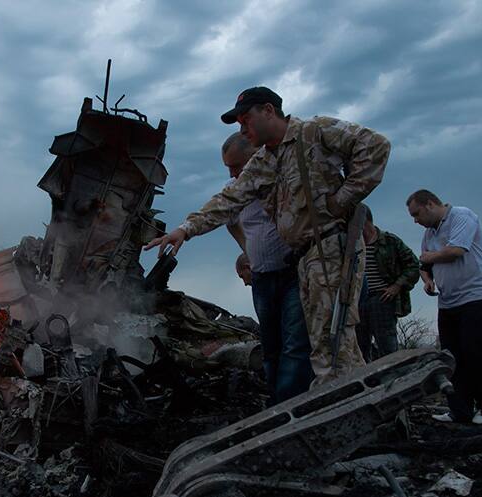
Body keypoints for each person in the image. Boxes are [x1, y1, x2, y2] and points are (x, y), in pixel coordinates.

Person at [145, 86, 391, 384]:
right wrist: (185, 230)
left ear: (268, 111)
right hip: (305, 258)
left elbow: (376, 146)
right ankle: (369, 408)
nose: (242, 127)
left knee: (331, 342)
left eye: (245, 119)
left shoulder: (314, 131)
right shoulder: (265, 161)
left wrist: (342, 199)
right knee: (336, 346)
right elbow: (228, 198)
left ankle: (335, 416)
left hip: (331, 248)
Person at [223, 133, 313, 404]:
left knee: (295, 343)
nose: (232, 172)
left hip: (293, 273)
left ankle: (292, 406)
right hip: (262, 276)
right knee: (270, 345)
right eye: (227, 167)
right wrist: (248, 250)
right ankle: (276, 404)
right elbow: (228, 221)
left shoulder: (282, 178)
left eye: (237, 165)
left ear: (256, 155)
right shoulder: (234, 189)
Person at [407, 189, 482, 424]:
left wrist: (428, 258)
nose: (415, 221)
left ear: (429, 204)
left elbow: (456, 251)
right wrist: (427, 280)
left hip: (477, 296)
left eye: (417, 214)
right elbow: (424, 263)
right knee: (451, 357)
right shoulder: (430, 232)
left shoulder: (461, 216)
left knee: (476, 352)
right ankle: (460, 409)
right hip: (448, 301)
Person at [356, 207, 420, 362]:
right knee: (359, 349)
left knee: (387, 348)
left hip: (382, 299)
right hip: (357, 301)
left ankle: (394, 380)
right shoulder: (353, 245)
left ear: (365, 221)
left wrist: (397, 286)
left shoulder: (390, 241)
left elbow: (413, 265)